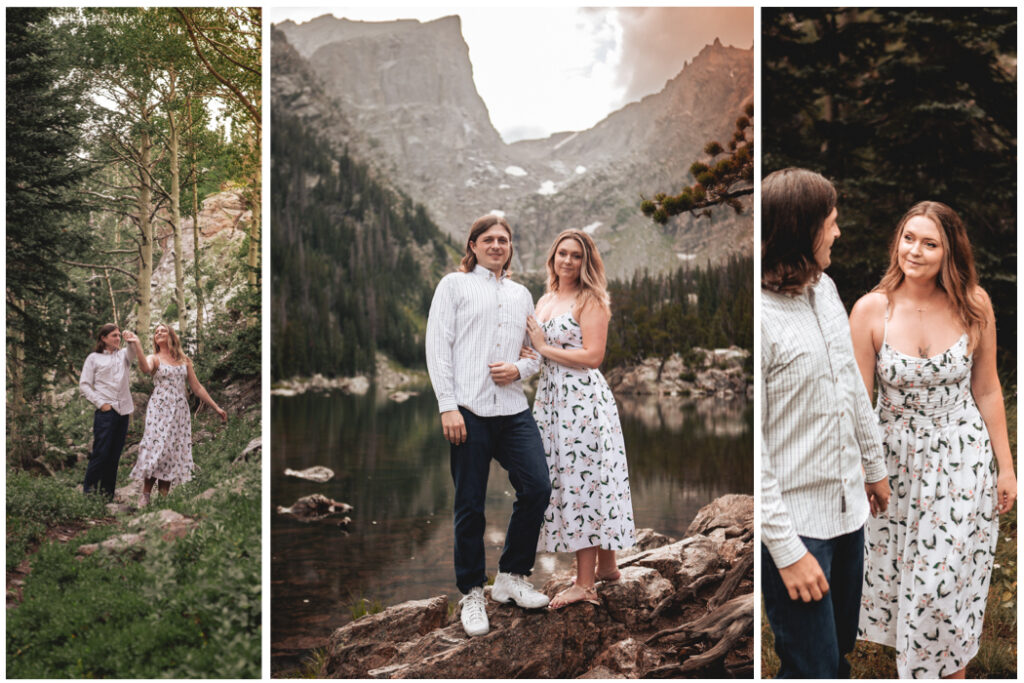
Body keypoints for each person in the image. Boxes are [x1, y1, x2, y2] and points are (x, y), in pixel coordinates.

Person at [850, 202, 1016, 679]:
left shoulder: (974, 304)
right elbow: (860, 403)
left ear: (949, 252)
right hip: (896, 464)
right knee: (910, 585)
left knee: (944, 584)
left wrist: (1006, 468)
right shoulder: (870, 310)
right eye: (908, 238)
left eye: (929, 243)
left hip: (961, 459)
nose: (914, 251)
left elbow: (987, 388)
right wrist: (866, 470)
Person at [760, 167, 891, 678]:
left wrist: (874, 467)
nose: (838, 232)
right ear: (800, 229)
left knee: (836, 655)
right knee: (811, 666)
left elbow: (851, 388)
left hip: (849, 517)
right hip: (799, 526)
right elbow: (759, 455)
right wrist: (788, 551)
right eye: (831, 223)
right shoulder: (764, 314)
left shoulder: (826, 289)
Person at [425, 214, 552, 637]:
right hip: (469, 410)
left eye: (504, 240)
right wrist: (448, 406)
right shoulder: (454, 285)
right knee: (470, 505)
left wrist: (517, 369)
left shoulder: (521, 294)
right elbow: (437, 347)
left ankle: (511, 577)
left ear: (510, 248)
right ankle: (472, 593)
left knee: (537, 487)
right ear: (474, 245)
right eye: (489, 239)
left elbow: (536, 353)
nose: (497, 245)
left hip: (513, 410)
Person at [523, 228, 636, 608]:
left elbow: (592, 356)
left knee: (582, 482)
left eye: (576, 255)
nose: (568, 261)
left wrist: (544, 347)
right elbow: (534, 352)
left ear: (586, 261)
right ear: (552, 257)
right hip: (553, 400)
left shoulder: (591, 299)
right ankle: (607, 568)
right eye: (562, 254)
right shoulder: (545, 299)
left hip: (582, 402)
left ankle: (585, 584)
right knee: (574, 478)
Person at [130, 323, 227, 506]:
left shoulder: (184, 360)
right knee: (156, 447)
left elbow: (196, 387)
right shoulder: (154, 358)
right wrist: (137, 345)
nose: (159, 333)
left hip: (179, 410)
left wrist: (216, 407)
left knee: (172, 450)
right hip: (159, 408)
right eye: (156, 332)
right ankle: (146, 494)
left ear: (171, 336)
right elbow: (144, 368)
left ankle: (164, 498)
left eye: (163, 330)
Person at [80, 324, 148, 498]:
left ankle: (107, 495)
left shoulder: (124, 355)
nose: (117, 338)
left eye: (119, 335)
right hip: (106, 412)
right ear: (103, 338)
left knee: (114, 455)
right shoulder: (93, 358)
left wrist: (131, 338)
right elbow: (84, 385)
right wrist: (101, 403)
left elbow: (134, 350)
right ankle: (89, 494)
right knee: (101, 452)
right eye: (113, 336)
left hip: (124, 411)